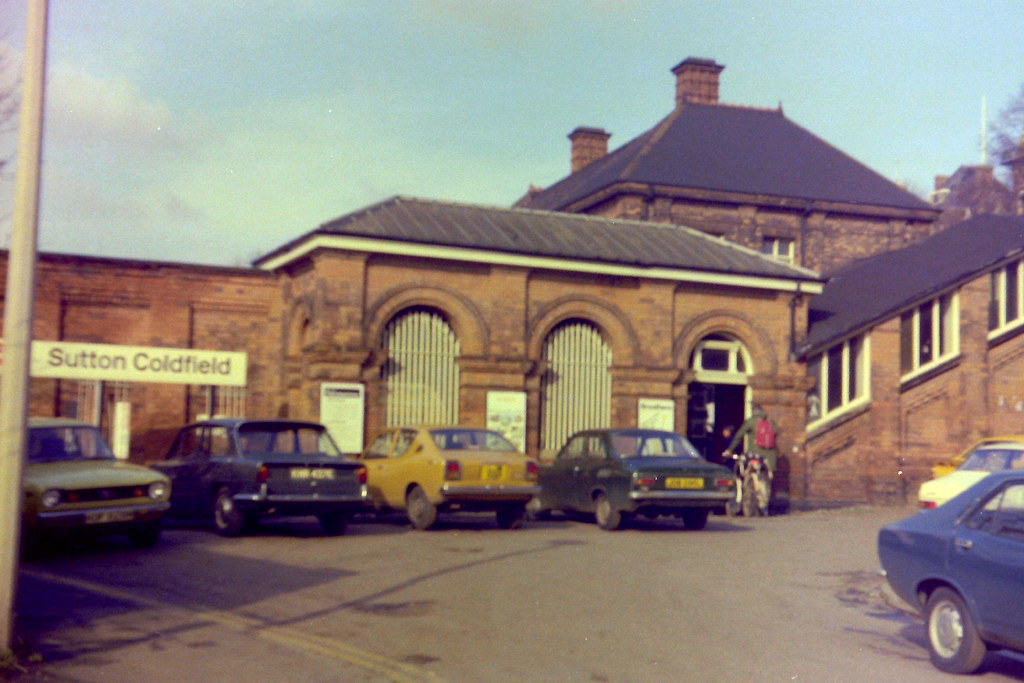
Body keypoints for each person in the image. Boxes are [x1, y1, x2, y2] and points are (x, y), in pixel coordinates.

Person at [724, 405, 778, 476]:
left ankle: (749, 481)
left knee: (747, 472)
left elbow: (739, 436)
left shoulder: (751, 421)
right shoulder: (771, 422)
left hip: (755, 454)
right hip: (770, 456)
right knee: (768, 476)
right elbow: (776, 433)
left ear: (753, 412)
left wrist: (730, 450)